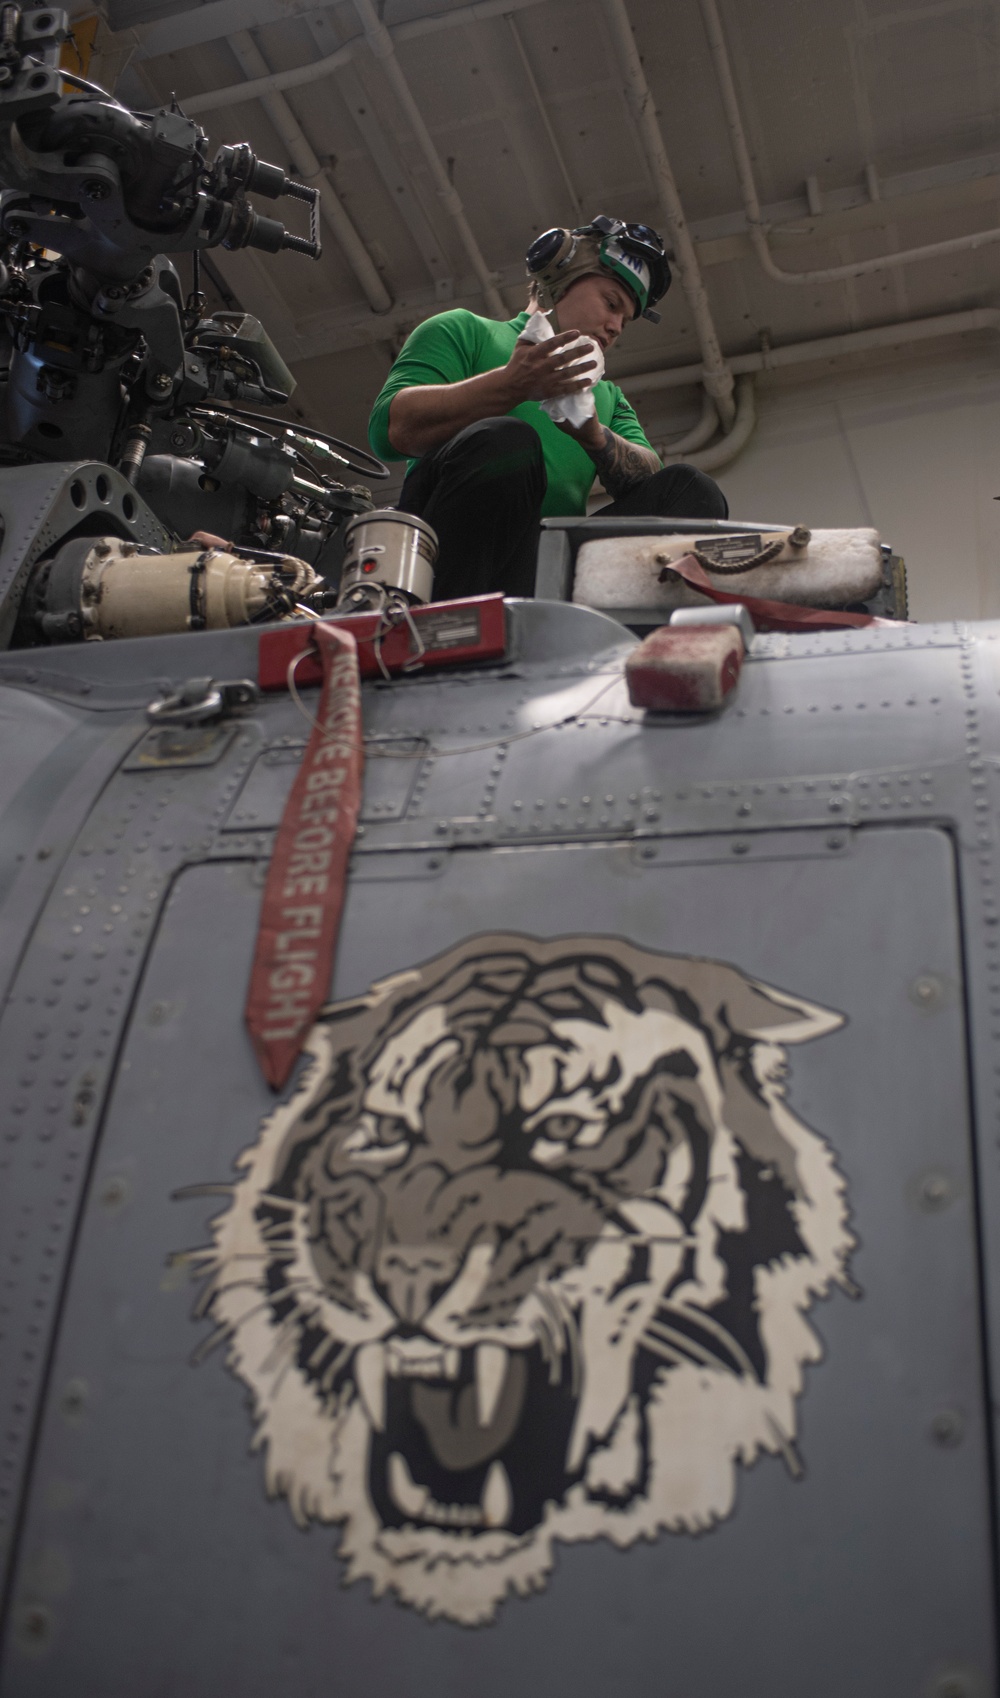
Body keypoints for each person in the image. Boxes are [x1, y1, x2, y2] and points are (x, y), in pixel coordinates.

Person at [367, 215, 728, 602]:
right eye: (611, 303)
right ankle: (454, 614)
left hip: (541, 569)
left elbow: (649, 478)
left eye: (625, 319)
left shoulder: (606, 398)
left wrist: (593, 436)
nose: (616, 327)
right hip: (452, 553)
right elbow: (392, 431)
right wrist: (512, 384)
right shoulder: (464, 330)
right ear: (559, 278)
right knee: (507, 441)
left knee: (692, 490)